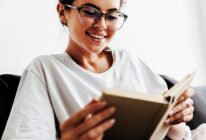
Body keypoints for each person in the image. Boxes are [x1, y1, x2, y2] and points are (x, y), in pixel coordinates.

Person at [2, 0, 195, 139]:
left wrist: (177, 118)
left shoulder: (130, 61)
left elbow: (176, 135)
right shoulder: (44, 69)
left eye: (111, 16)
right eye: (89, 11)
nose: (102, 25)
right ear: (62, 12)